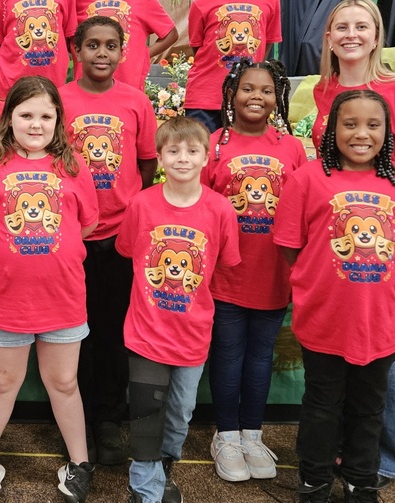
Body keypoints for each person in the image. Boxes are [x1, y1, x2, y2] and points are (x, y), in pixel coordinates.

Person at [274, 90, 395, 503]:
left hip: (383, 324)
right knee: (322, 404)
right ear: (331, 130)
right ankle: (315, 480)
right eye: (350, 124)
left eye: (373, 125)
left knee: (369, 406)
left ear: (387, 131)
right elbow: (291, 245)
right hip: (324, 320)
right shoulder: (307, 178)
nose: (361, 133)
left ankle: (362, 480)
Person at [311, 0, 395, 488]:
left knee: (390, 352)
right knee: (342, 352)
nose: (351, 34)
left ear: (376, 33)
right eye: (341, 26)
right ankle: (348, 450)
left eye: (361, 26)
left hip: (389, 246)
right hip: (338, 245)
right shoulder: (323, 92)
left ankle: (383, 458)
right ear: (328, 36)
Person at [0, 76, 99, 503]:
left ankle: (79, 463)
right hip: (6, 300)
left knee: (63, 381)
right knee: (2, 382)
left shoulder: (74, 166)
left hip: (62, 298)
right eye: (26, 115)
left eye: (45, 115)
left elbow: (89, 225)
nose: (35, 124)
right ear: (9, 119)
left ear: (58, 119)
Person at [115, 117, 241, 503]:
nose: (182, 158)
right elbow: (126, 251)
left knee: (179, 412)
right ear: (161, 156)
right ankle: (146, 487)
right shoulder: (141, 204)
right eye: (173, 151)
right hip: (146, 332)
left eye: (191, 151)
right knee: (145, 411)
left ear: (206, 157)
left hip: (192, 335)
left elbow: (225, 263)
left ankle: (164, 465)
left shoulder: (220, 210)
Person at [201, 58, 306, 483]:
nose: (256, 97)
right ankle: (225, 435)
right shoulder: (213, 144)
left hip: (273, 275)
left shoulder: (292, 149)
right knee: (227, 355)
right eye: (247, 88)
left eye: (265, 90)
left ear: (277, 96)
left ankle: (251, 433)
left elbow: (302, 214)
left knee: (260, 358)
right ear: (231, 93)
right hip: (226, 276)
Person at [58, 16, 157, 467]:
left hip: (119, 236)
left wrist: (132, 216)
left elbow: (147, 165)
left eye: (110, 45)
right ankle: (75, 418)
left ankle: (108, 419)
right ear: (76, 50)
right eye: (92, 44)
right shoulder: (59, 99)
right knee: (75, 334)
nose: (101, 53)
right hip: (69, 236)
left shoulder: (136, 101)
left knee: (114, 332)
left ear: (123, 52)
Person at [183, 0, 282, 133]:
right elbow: (198, 49)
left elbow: (266, 45)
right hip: (204, 99)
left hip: (247, 98)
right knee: (201, 157)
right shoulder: (201, 3)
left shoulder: (270, 0)